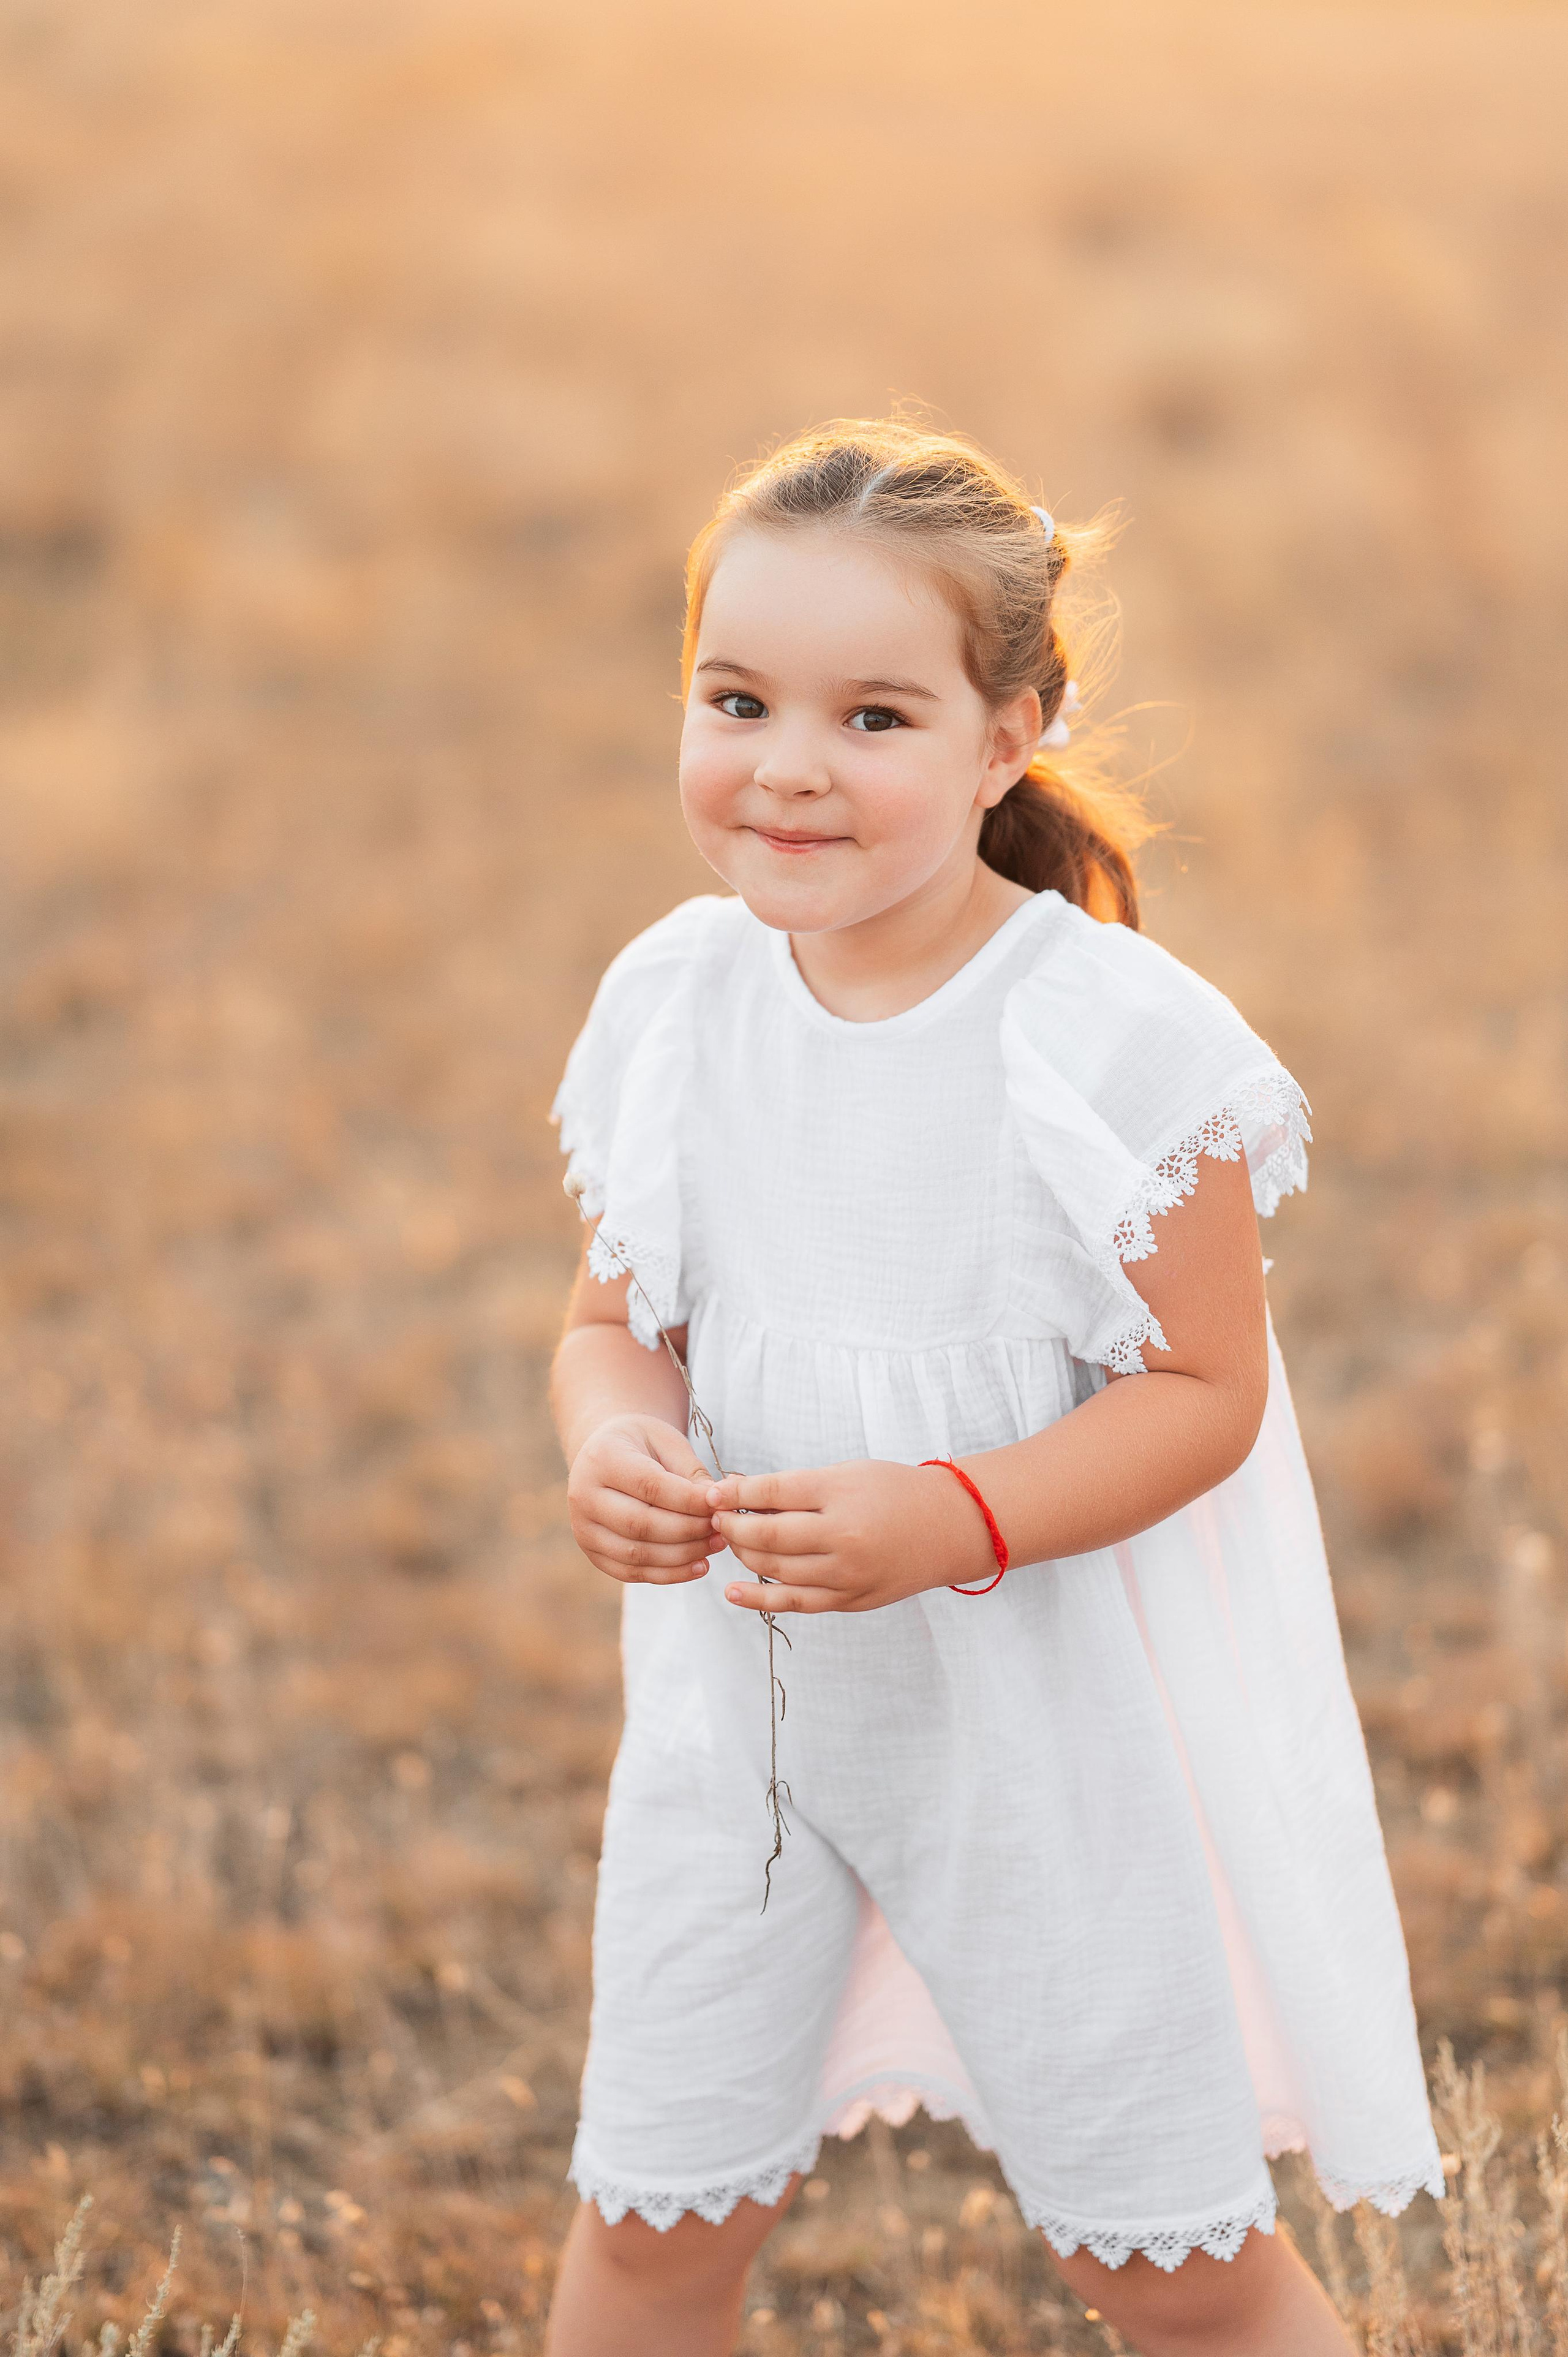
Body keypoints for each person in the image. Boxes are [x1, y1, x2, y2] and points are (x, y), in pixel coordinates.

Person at [543, 418, 1442, 2357]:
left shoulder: (1106, 1042)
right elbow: (613, 1324)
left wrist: (946, 1511)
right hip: (744, 1741)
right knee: (655, 2224)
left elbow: (1206, 1391)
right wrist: (612, 1438)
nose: (786, 765)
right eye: (735, 697)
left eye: (875, 718)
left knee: (1169, 2272)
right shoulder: (678, 1006)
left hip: (1040, 1740)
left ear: (1011, 734)